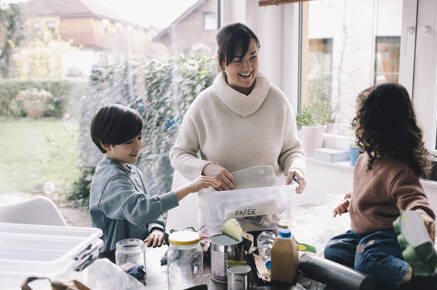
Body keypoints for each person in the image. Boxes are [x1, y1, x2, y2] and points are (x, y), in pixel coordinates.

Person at [325, 84, 437, 290]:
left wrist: (421, 217)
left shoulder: (397, 168)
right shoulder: (363, 159)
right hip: (364, 236)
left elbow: (414, 198)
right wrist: (350, 202)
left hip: (390, 236)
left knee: (367, 259)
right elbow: (369, 193)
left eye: (360, 119)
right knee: (333, 249)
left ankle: (426, 276)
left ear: (376, 125)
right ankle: (391, 272)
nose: (357, 125)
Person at [170, 23, 306, 193]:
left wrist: (297, 168)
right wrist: (206, 168)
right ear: (222, 61)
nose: (247, 67)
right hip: (220, 212)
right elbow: (179, 154)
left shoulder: (278, 101)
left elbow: (292, 150)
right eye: (238, 60)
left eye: (252, 57)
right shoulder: (204, 104)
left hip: (270, 208)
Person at [89, 104, 220, 257]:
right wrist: (190, 187)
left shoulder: (131, 169)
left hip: (137, 252)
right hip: (115, 257)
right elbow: (142, 210)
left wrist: (155, 228)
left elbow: (150, 206)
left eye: (139, 138)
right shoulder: (111, 179)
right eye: (128, 142)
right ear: (105, 145)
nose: (137, 146)